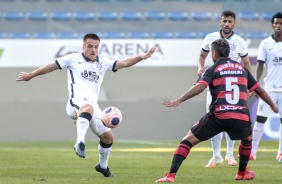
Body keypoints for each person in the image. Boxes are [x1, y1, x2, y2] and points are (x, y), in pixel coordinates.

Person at [16, 33, 156, 177]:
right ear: (83, 46)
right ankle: (80, 142)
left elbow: (124, 62)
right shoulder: (72, 59)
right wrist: (30, 75)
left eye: (96, 47)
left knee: (108, 138)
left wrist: (141, 57)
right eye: (90, 46)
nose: (93, 50)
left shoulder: (102, 63)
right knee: (87, 107)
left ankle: (102, 166)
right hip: (75, 104)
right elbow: (51, 66)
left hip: (92, 107)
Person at [156, 39, 278, 182]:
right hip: (240, 116)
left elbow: (200, 88)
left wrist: (179, 100)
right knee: (247, 139)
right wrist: (272, 105)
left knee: (187, 140)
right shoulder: (242, 68)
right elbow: (259, 90)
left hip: (219, 116)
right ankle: (241, 173)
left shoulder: (213, 69)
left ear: (213, 52)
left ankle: (170, 175)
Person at [197, 10, 253, 167]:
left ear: (234, 23)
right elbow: (202, 56)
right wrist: (200, 67)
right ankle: (216, 156)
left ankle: (229, 154)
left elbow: (247, 63)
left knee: (232, 116)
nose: (227, 24)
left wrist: (250, 83)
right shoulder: (210, 38)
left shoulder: (240, 41)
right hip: (215, 83)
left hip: (233, 85)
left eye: (230, 21)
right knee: (212, 115)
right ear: (220, 22)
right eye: (224, 21)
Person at [250, 12, 282, 163]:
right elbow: (260, 64)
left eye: (281, 24)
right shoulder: (265, 43)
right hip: (269, 88)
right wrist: (256, 85)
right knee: (260, 119)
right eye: (276, 23)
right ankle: (252, 152)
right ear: (272, 25)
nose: (278, 26)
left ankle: (281, 153)